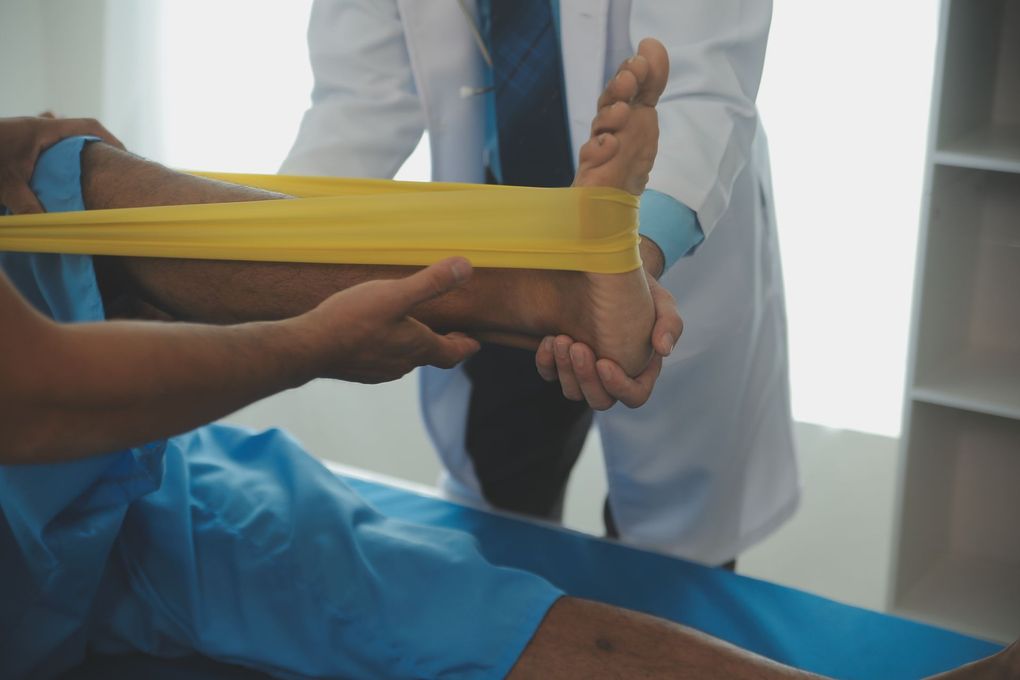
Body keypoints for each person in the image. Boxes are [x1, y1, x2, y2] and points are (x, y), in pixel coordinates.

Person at [0, 44, 1015, 680]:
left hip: (659, 241)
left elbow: (703, 76)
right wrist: (306, 315)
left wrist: (640, 241)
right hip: (76, 453)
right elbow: (359, 99)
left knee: (42, 176)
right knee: (462, 561)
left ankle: (562, 280)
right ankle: (546, 287)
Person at [282, 0, 797, 566]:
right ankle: (608, 266)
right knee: (500, 519)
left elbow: (700, 84)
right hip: (497, 242)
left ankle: (613, 256)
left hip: (672, 222)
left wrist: (634, 251)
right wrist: (268, 242)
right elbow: (361, 100)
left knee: (672, 562)